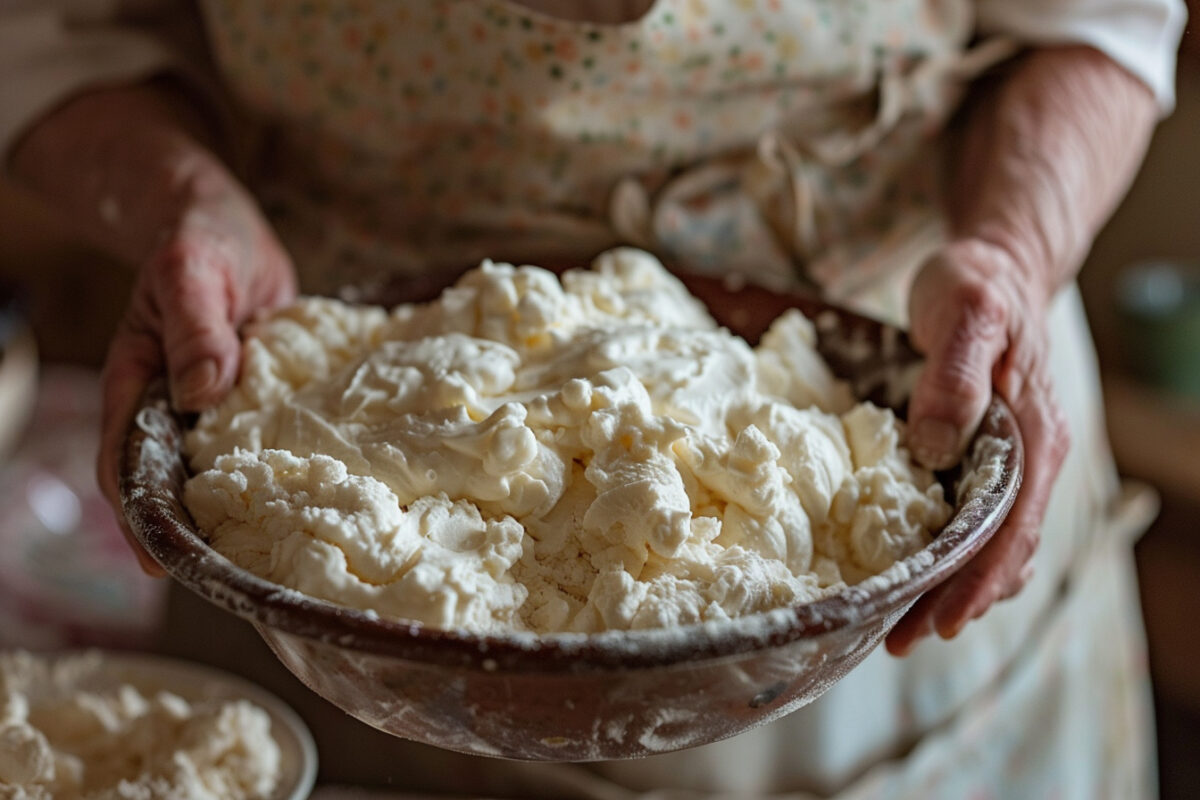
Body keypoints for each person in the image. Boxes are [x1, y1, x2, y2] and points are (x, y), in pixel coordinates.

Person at [0, 1, 1186, 796]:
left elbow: (1091, 18)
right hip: (335, 433)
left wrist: (1014, 255)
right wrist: (180, 201)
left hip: (884, 388)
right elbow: (53, 23)